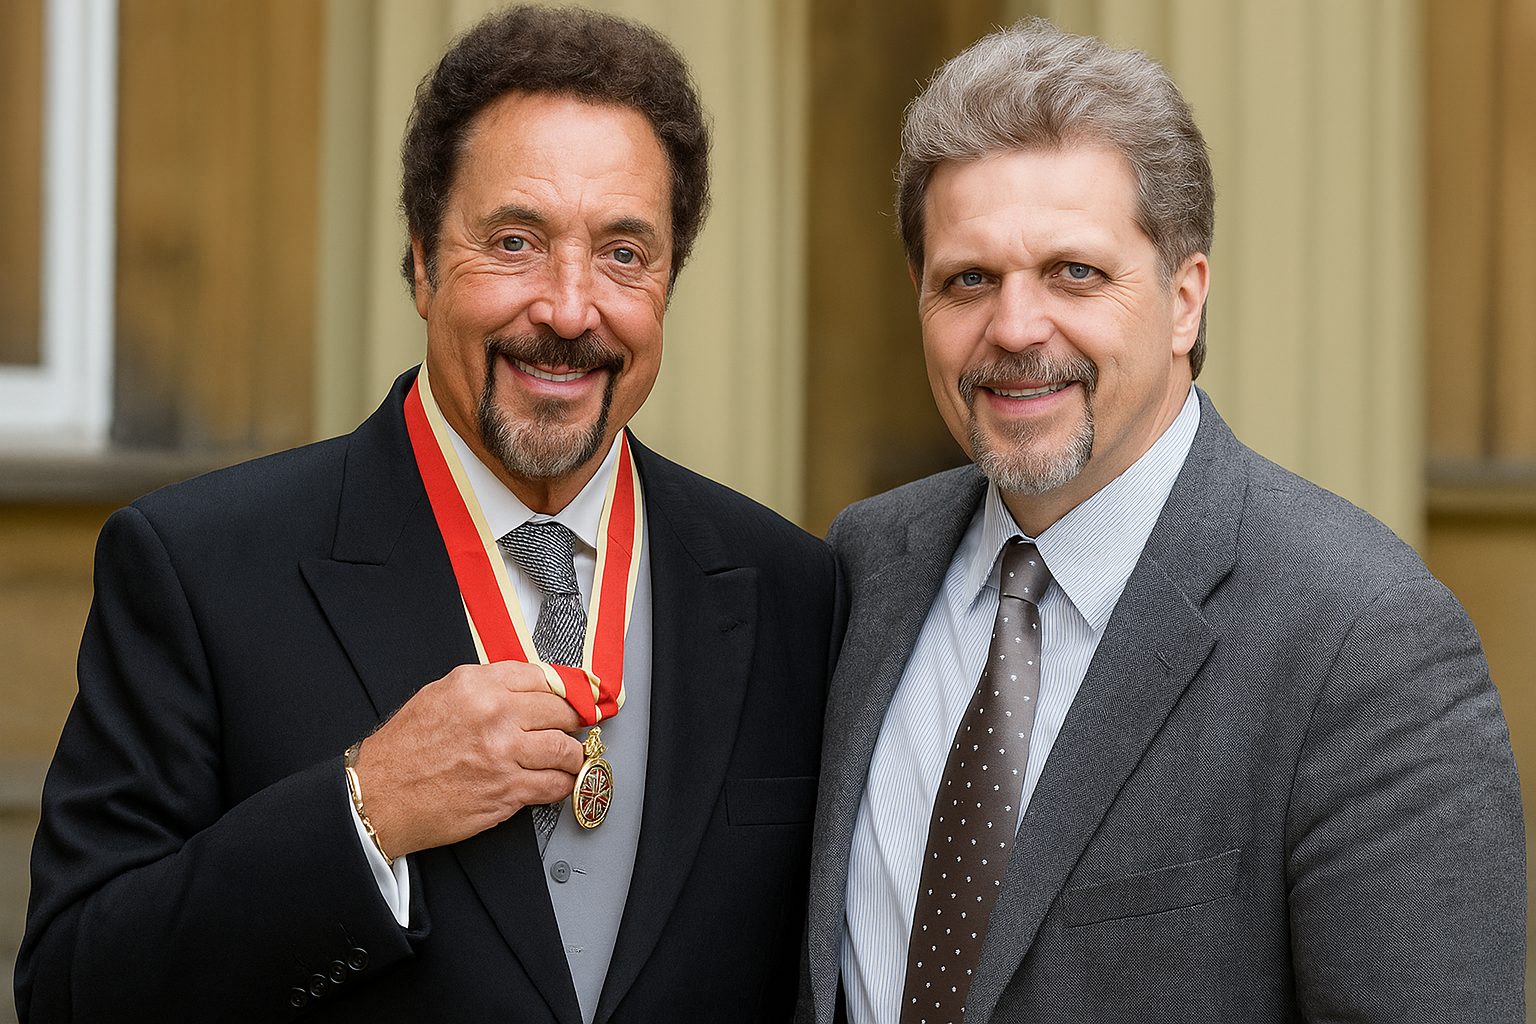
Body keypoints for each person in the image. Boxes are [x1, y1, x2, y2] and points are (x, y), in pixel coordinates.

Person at [19, 7, 838, 1022]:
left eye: (624, 253)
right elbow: (73, 988)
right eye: (514, 242)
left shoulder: (795, 589)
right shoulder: (200, 570)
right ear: (419, 260)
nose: (570, 308)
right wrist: (364, 811)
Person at [799, 18, 1524, 1024]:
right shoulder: (866, 564)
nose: (1015, 327)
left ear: (1186, 300)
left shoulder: (1363, 639)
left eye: (1075, 272)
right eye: (969, 280)